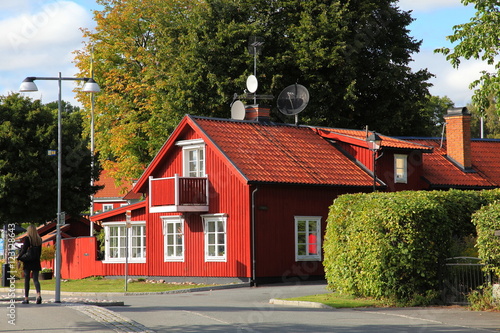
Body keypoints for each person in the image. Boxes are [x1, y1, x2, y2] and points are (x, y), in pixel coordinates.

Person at [17, 224, 42, 304]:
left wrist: (18, 258)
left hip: (28, 261)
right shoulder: (39, 239)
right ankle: (38, 295)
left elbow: (24, 250)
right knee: (35, 279)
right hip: (36, 261)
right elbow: (39, 253)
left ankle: (26, 298)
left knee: (27, 280)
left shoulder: (28, 239)